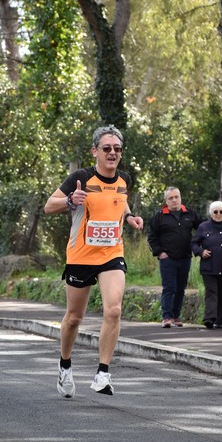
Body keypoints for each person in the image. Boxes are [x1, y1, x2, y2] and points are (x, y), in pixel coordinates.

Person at [44, 125, 143, 398]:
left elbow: (119, 200)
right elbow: (48, 206)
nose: (113, 153)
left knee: (114, 310)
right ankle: (65, 365)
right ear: (95, 151)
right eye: (107, 148)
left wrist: (131, 215)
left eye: (117, 149)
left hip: (112, 254)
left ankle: (103, 372)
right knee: (74, 317)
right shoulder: (80, 178)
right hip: (80, 256)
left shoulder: (124, 179)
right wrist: (69, 199)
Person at [147, 186, 203, 328]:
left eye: (176, 197)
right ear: (166, 201)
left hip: (185, 257)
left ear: (180, 198)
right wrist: (160, 253)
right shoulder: (159, 217)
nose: (174, 200)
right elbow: (151, 237)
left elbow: (203, 228)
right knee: (169, 287)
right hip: (168, 259)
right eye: (171, 198)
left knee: (180, 288)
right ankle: (166, 317)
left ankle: (176, 316)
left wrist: (220, 223)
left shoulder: (190, 214)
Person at [191, 200, 222, 329]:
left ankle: (219, 320)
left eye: (221, 212)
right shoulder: (203, 227)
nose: (218, 214)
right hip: (209, 267)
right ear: (211, 213)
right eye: (215, 212)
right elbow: (194, 243)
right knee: (211, 291)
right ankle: (209, 318)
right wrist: (201, 252)